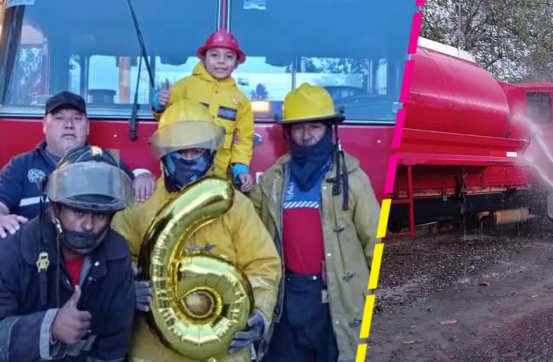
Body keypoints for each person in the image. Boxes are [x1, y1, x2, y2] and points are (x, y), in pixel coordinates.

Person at [112, 100, 281, 362]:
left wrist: (258, 314)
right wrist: (128, 288)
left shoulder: (235, 206)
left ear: (211, 152)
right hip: (155, 351)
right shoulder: (140, 205)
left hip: (224, 352)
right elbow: (116, 259)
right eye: (182, 151)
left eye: (197, 151)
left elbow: (263, 265)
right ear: (164, 153)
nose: (190, 159)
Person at [249, 83, 381, 362]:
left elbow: (374, 243)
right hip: (285, 302)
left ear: (329, 131)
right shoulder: (274, 179)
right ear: (288, 133)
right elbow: (247, 225)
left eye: (315, 127)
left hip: (334, 303)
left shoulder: (353, 180)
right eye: (299, 128)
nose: (307, 136)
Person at [0, 145, 136, 362]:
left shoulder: (117, 255)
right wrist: (49, 328)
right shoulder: (11, 252)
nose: (88, 225)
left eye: (100, 214)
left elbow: (112, 348)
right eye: (78, 210)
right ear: (55, 208)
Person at [0, 91, 156, 239]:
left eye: (77, 118)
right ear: (44, 125)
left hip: (96, 258)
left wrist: (144, 178)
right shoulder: (20, 165)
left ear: (87, 127)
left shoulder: (109, 164)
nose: (69, 124)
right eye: (59, 118)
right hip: (33, 259)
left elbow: (135, 208)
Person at [152, 30, 255, 192]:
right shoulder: (184, 86)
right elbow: (165, 122)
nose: (221, 61)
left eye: (229, 57)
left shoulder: (241, 101)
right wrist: (159, 104)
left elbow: (243, 140)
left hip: (218, 178)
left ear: (236, 63)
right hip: (180, 173)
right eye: (214, 55)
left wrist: (240, 169)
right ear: (203, 58)